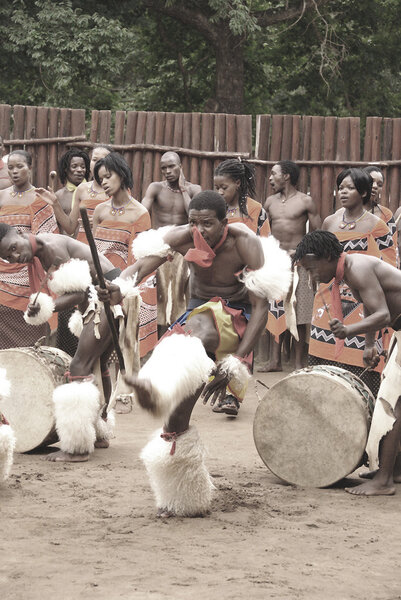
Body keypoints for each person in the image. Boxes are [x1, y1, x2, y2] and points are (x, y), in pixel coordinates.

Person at [98, 190, 292, 516]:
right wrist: (119, 287)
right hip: (196, 320)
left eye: (208, 224)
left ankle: (156, 384)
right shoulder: (182, 237)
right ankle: (184, 496)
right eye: (194, 223)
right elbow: (142, 265)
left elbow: (261, 309)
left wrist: (238, 361)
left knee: (196, 331)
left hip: (235, 319)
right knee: (178, 413)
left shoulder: (245, 242)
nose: (200, 230)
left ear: (224, 222)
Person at [0, 223, 120, 463]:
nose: (15, 256)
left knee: (78, 367)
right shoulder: (41, 249)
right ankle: (99, 433)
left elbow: (82, 292)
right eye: (8, 256)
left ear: (20, 232)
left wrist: (47, 307)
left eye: (13, 247)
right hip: (107, 296)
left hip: (109, 296)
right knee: (99, 363)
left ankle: (78, 448)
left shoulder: (51, 249)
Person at [293, 229, 401, 496]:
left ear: (328, 257)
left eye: (312, 268)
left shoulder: (357, 268)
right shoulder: (350, 268)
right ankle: (395, 469)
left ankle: (385, 480)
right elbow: (370, 305)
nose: (312, 276)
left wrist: (349, 331)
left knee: (393, 401)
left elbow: (382, 313)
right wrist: (368, 343)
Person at [308, 168, 396, 396]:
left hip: (365, 296)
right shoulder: (330, 221)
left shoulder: (377, 225)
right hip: (328, 294)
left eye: (350, 188)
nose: (343, 192)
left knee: (360, 365)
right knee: (322, 357)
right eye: (341, 188)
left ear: (364, 193)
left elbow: (389, 264)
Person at [92, 152, 158, 361]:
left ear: (121, 174)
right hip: (98, 285)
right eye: (100, 178)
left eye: (108, 176)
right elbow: (93, 250)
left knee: (121, 352)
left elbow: (140, 259)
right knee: (94, 352)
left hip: (122, 285)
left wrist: (121, 289)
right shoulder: (100, 210)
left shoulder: (139, 213)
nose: (104, 182)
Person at [259, 160, 321, 372]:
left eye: (274, 174)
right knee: (276, 311)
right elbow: (263, 233)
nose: (270, 178)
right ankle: (275, 361)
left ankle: (297, 362)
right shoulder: (269, 203)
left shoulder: (305, 201)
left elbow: (317, 234)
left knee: (300, 314)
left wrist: (303, 252)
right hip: (276, 264)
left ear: (286, 176)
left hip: (299, 264)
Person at [0, 150, 58, 349]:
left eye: (20, 167)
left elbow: (44, 245)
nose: (14, 172)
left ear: (30, 168)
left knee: (31, 340)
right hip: (0, 276)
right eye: (10, 168)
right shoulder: (0, 197)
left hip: (29, 276)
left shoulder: (41, 199)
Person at [142, 151, 202, 333]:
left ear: (180, 167)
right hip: (160, 248)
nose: (167, 171)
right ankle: (159, 341)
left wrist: (183, 188)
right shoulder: (156, 188)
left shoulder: (194, 189)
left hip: (184, 249)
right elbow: (142, 212)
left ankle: (179, 338)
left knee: (181, 296)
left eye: (171, 166)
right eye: (163, 168)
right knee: (160, 296)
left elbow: (195, 215)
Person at [44, 144, 111, 243]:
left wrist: (102, 223)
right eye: (94, 160)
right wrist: (55, 203)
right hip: (83, 249)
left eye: (103, 160)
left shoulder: (118, 189)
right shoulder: (81, 189)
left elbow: (126, 222)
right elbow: (70, 228)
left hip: (107, 248)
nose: (98, 164)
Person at [214, 158, 270, 236]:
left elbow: (265, 241)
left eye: (224, 187)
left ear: (238, 183)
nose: (220, 192)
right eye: (217, 188)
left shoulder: (255, 209)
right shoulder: (215, 210)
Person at [54, 148, 90, 229]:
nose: (80, 170)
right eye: (74, 166)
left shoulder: (93, 193)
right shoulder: (58, 196)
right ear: (66, 169)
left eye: (83, 167)